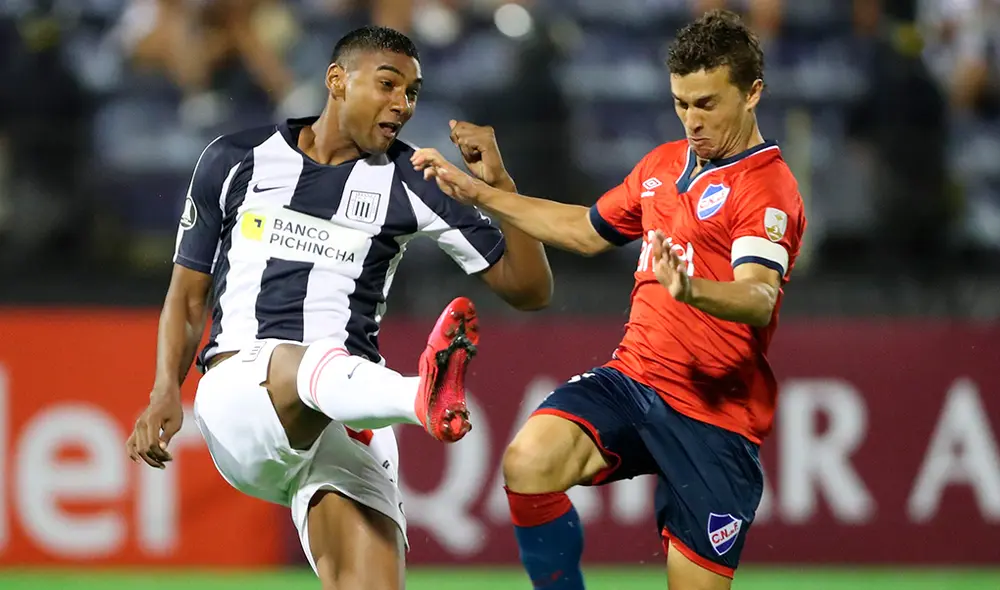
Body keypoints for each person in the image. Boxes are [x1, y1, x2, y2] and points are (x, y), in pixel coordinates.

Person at [124, 25, 552, 589]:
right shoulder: (235, 160)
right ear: (337, 82)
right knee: (300, 361)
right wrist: (163, 392)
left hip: (346, 416)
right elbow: (187, 295)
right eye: (388, 84)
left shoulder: (414, 183)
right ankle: (416, 395)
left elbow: (530, 288)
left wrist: (499, 184)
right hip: (241, 397)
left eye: (413, 93)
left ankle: (409, 397)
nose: (402, 104)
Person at [412, 10, 806, 590]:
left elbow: (757, 295)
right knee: (528, 462)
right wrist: (483, 193)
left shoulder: (768, 189)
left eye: (707, 103)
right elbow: (583, 230)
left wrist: (691, 290)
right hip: (634, 379)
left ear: (752, 94)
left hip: (712, 419)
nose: (692, 120)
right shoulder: (663, 165)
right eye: (681, 103)